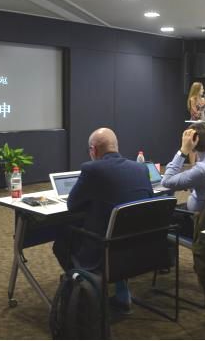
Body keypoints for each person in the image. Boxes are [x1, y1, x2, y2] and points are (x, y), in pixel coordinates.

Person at [53, 127, 153, 314]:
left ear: (93, 150)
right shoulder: (140, 168)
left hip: (105, 249)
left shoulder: (91, 169)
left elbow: (72, 205)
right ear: (116, 146)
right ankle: (122, 294)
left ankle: (88, 290)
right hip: (139, 247)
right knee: (118, 230)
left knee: (62, 239)